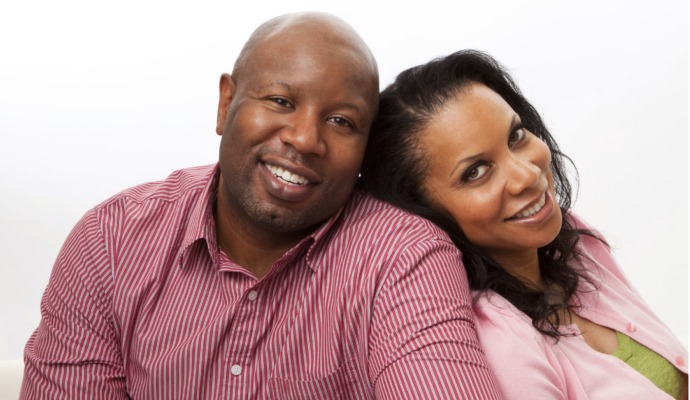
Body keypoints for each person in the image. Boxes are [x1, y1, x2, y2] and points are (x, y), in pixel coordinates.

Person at [20, 13, 502, 399]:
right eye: (280, 101)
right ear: (225, 102)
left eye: (340, 120)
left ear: (364, 148)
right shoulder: (111, 241)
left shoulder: (405, 257)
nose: (304, 139)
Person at [361, 49, 688, 399]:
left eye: (516, 136)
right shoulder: (500, 342)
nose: (528, 175)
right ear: (420, 212)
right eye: (476, 172)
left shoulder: (576, 245)